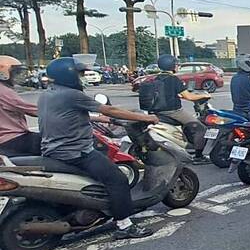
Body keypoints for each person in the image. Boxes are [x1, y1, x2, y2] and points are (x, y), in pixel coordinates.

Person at [38, 56, 159, 239]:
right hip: (75, 151)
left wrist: (108, 120)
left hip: (52, 149)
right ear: (68, 75)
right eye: (79, 75)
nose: (81, 79)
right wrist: (146, 118)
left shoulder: (48, 94)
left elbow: (77, 115)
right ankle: (124, 226)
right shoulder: (72, 95)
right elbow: (109, 109)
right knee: (118, 180)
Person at [151, 54, 209, 162]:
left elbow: (166, 93)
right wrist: (205, 95)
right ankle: (199, 156)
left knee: (186, 124)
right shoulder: (174, 79)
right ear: (172, 66)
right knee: (201, 129)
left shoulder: (156, 79)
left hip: (157, 111)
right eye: (176, 64)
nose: (177, 66)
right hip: (173, 112)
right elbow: (190, 96)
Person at [0, 56, 40, 157]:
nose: (17, 77)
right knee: (56, 143)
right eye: (15, 73)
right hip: (13, 138)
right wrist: (57, 112)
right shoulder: (4, 91)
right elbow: (29, 108)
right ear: (3, 73)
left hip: (6, 140)